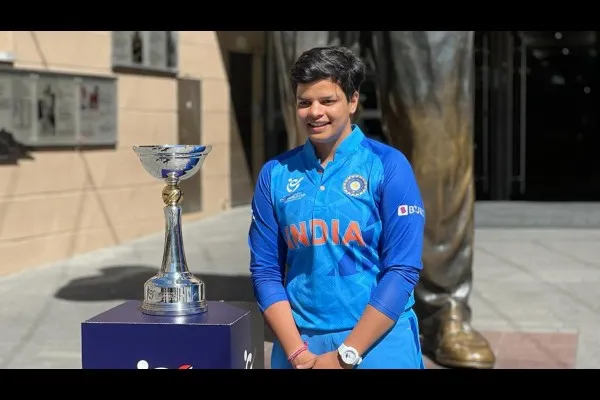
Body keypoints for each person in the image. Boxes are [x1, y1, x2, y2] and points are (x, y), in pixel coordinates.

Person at [248, 46, 426, 369]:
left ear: (353, 101)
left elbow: (402, 270)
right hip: (300, 346)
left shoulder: (388, 165)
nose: (314, 112)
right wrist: (297, 353)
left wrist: (346, 355)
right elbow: (265, 271)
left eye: (327, 101)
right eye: (304, 102)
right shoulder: (275, 174)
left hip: (378, 344)